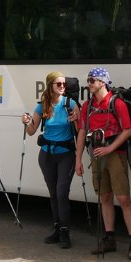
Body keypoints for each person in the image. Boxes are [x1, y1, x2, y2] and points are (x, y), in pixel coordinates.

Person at [74, 67, 131, 259]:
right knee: (104, 197)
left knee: (123, 198)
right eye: (88, 80)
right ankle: (109, 238)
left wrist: (109, 149)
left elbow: (127, 131)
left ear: (103, 82)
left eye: (92, 80)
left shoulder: (116, 103)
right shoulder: (87, 106)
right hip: (96, 155)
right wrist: (78, 159)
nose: (88, 84)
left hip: (115, 154)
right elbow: (81, 132)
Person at [23, 71, 78, 249]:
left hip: (66, 155)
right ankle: (57, 229)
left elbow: (80, 130)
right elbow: (32, 131)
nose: (62, 87)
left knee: (62, 193)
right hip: (46, 155)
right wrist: (26, 122)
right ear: (50, 86)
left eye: (64, 84)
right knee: (54, 194)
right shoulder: (42, 105)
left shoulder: (70, 104)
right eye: (58, 84)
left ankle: (65, 232)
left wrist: (76, 120)